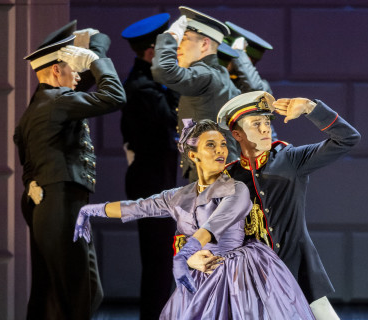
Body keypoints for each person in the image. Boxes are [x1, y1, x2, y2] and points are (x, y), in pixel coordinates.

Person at [73, 119, 316, 320]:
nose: (220, 150)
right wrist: (90, 211)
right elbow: (136, 207)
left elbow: (214, 226)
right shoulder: (179, 196)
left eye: (222, 144)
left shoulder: (237, 189)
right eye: (211, 145)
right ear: (193, 154)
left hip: (236, 272)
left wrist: (184, 255)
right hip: (200, 271)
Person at [187, 91, 360, 319]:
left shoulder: (290, 159)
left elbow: (347, 138)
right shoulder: (226, 179)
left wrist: (310, 108)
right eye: (256, 123)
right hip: (250, 282)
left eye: (267, 121)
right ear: (237, 134)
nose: (265, 128)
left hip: (298, 274)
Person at [13, 24, 126, 319]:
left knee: (54, 295)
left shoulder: (41, 104)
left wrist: (94, 44)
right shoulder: (58, 102)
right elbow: (115, 96)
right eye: (73, 69)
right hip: (62, 206)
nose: (79, 76)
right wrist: (93, 61)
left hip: (46, 206)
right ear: (55, 71)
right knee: (80, 294)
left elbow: (28, 161)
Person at [120, 13, 179, 319]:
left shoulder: (151, 82)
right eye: (168, 46)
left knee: (162, 258)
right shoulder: (143, 86)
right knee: (159, 259)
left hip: (159, 176)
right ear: (152, 51)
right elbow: (171, 119)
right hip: (152, 178)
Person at [151, 6, 243, 182]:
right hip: (218, 173)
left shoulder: (205, 74)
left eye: (183, 39)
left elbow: (164, 70)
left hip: (210, 175)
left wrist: (169, 38)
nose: (177, 47)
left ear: (204, 44)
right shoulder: (220, 75)